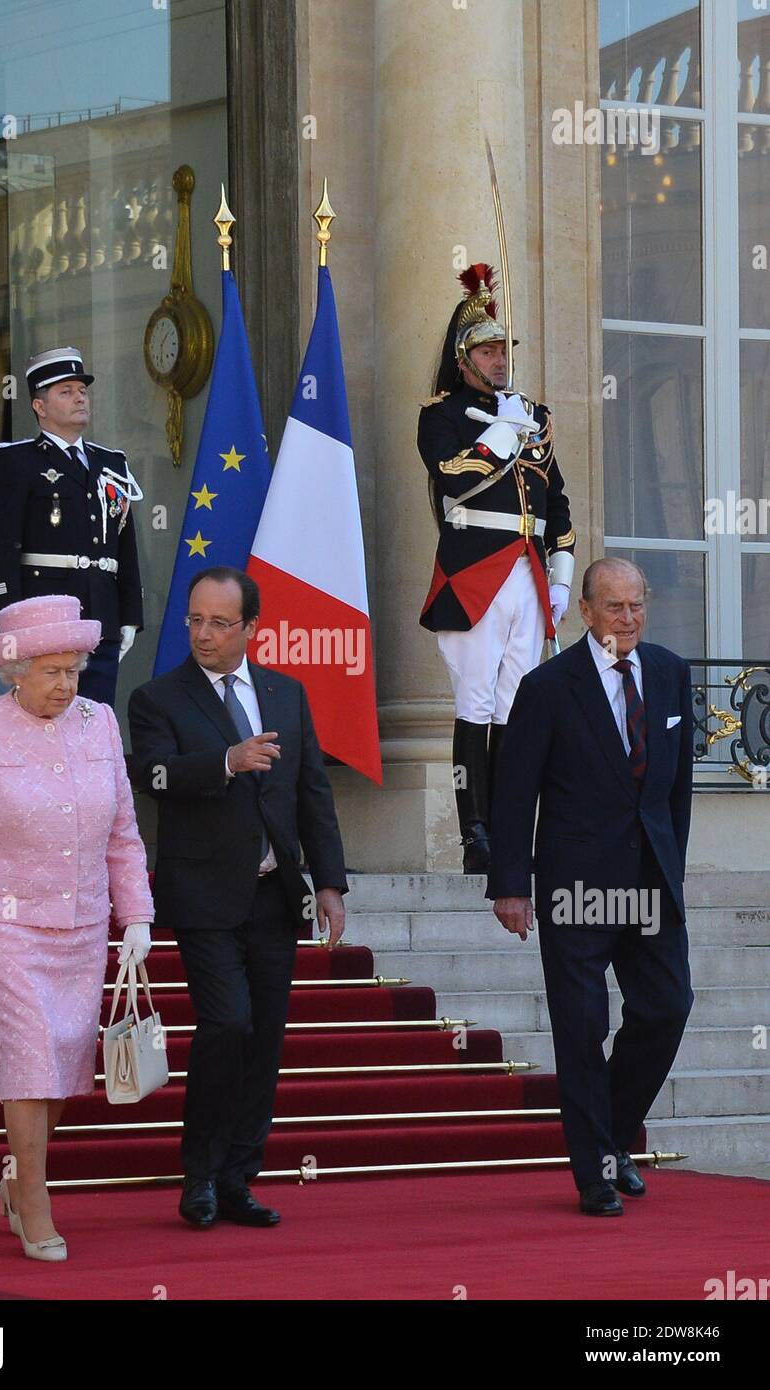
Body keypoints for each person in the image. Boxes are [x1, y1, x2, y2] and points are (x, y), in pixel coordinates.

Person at [0, 596, 154, 1260]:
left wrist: (135, 914)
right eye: (50, 671)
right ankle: (35, 1205)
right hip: (6, 923)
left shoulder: (100, 723)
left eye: (73, 670)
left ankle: (19, 1175)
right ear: (14, 669)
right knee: (30, 1063)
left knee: (68, 1066)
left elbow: (123, 835)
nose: (64, 685)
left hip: (82, 925)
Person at [128, 566, 348, 1230]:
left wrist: (330, 884)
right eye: (195, 619)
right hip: (203, 896)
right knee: (227, 1023)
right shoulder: (157, 698)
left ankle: (237, 1179)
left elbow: (313, 793)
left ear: (252, 628)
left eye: (220, 623)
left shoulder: (286, 694)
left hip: (277, 898)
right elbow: (155, 775)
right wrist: (226, 760)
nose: (203, 633)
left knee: (266, 1039)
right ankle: (197, 1175)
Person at [487, 558, 694, 1216]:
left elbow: (677, 791)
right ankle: (596, 1173)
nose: (627, 619)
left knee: (667, 1007)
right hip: (575, 887)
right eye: (614, 607)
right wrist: (511, 885)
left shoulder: (669, 673)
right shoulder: (549, 687)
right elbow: (514, 794)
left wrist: (673, 868)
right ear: (586, 610)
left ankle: (609, 1133)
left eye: (636, 605)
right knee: (582, 1029)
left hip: (650, 884)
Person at [418, 264, 576, 873]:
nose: (499, 359)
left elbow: (555, 500)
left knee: (517, 705)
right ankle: (474, 833)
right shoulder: (443, 416)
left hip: (529, 572)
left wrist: (561, 574)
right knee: (476, 703)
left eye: (503, 349)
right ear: (464, 359)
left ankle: (512, 831)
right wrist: (500, 438)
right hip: (472, 572)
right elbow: (451, 477)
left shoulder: (534, 413)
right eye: (487, 350)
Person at [0, 347, 145, 707]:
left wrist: (130, 614)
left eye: (82, 391)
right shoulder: (15, 462)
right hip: (42, 619)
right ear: (40, 407)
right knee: (47, 722)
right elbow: (1, 548)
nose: (79, 398)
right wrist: (8, 619)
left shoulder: (110, 462)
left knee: (94, 720)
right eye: (66, 391)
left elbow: (124, 542)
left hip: (101, 616)